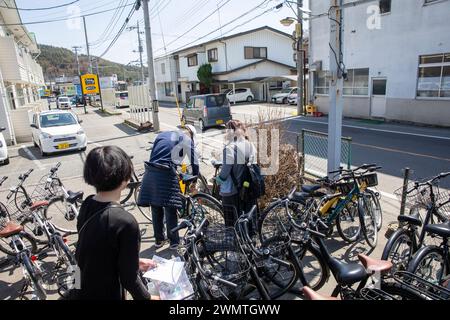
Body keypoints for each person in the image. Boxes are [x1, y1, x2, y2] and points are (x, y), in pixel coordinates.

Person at [75, 146, 157, 300]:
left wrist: (135, 262)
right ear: (125, 178)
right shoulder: (125, 222)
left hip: (80, 289)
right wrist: (150, 298)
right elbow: (129, 279)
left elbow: (96, 250)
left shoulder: (87, 204)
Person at [138, 125, 199, 250]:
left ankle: (159, 240)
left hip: (151, 172)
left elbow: (155, 155)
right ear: (190, 135)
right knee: (170, 209)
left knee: (156, 207)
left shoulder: (162, 135)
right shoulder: (186, 139)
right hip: (166, 173)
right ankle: (174, 242)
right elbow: (195, 161)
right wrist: (194, 179)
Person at [216, 120, 257, 227]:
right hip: (248, 188)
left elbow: (224, 174)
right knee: (248, 218)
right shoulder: (250, 145)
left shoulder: (229, 148)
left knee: (231, 222)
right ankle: (249, 238)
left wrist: (217, 179)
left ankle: (234, 241)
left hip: (232, 191)